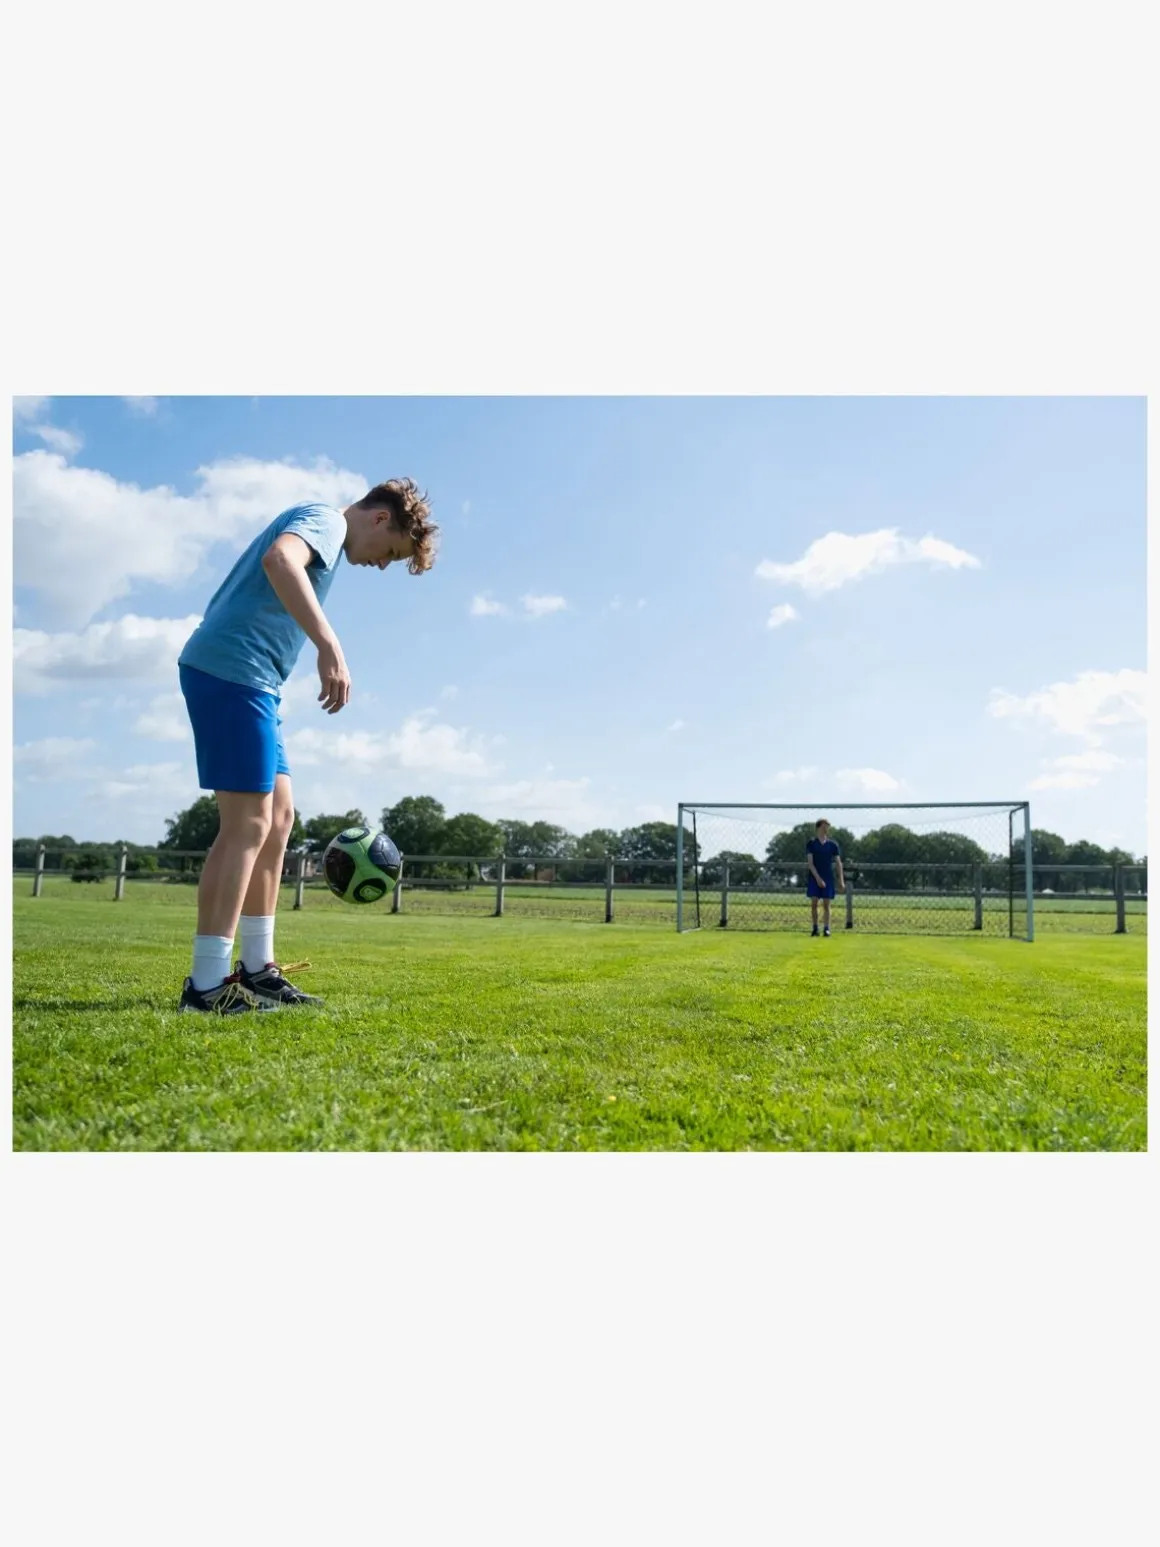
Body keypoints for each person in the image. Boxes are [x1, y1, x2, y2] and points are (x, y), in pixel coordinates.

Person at [175, 480, 438, 1013]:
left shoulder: (331, 534)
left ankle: (257, 970)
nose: (380, 565)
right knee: (247, 825)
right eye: (390, 554)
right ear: (380, 519)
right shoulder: (327, 520)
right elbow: (280, 560)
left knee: (279, 820)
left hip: (257, 683)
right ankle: (205, 985)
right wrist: (329, 645)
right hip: (232, 671)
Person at [805, 818, 845, 937]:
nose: (827, 828)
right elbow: (810, 864)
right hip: (814, 877)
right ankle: (815, 928)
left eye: (828, 826)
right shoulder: (811, 844)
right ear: (819, 827)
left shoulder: (833, 845)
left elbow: (838, 863)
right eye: (825, 826)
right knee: (814, 903)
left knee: (827, 904)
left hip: (828, 877)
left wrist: (841, 880)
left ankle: (827, 928)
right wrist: (818, 878)